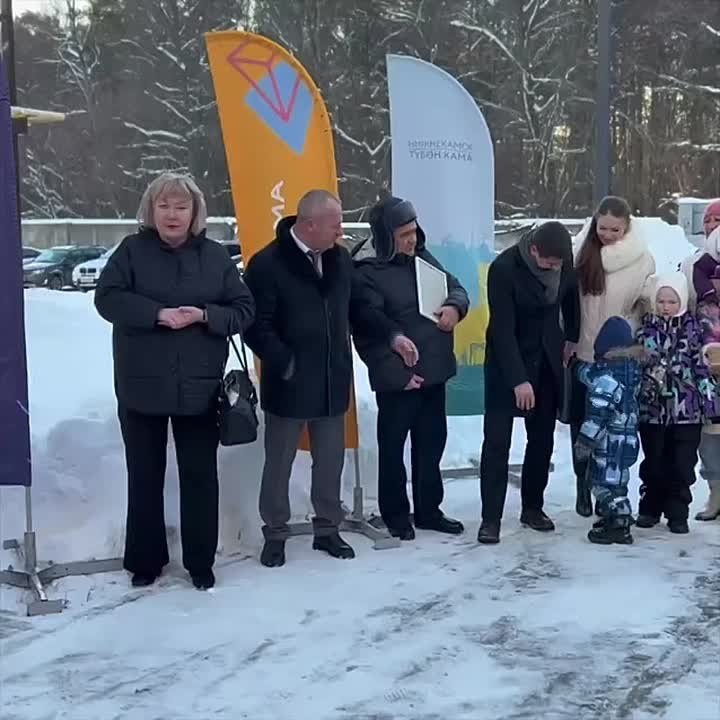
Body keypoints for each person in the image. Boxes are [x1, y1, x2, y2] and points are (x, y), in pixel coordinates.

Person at [95, 172, 255, 590]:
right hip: (141, 385)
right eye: (164, 205)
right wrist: (156, 314)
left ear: (195, 212)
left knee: (200, 476)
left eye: (181, 206)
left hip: (199, 387)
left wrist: (205, 315)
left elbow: (244, 309)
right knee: (144, 475)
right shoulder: (131, 251)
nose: (172, 214)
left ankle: (200, 562)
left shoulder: (215, 256)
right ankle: (145, 560)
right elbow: (106, 298)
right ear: (150, 210)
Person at [242, 190, 354, 568]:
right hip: (288, 383)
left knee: (330, 461)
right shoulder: (267, 264)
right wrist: (286, 363)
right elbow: (255, 326)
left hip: (332, 380)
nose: (340, 231)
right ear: (309, 224)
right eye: (335, 224)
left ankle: (328, 528)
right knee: (279, 463)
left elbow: (358, 310)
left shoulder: (340, 259)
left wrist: (391, 338)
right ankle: (275, 533)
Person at [350, 197, 469, 540]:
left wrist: (454, 307)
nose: (412, 239)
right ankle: (396, 514)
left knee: (431, 446)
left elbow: (456, 288)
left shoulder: (423, 258)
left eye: (414, 231)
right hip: (399, 380)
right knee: (393, 450)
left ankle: (429, 510)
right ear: (385, 237)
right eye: (403, 234)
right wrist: (399, 375)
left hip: (434, 372)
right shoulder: (366, 272)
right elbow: (369, 332)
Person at [479, 222, 579, 544]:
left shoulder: (563, 261)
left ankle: (533, 508)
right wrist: (518, 380)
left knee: (541, 440)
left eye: (558, 263)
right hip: (507, 364)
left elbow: (571, 295)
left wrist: (572, 336)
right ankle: (490, 518)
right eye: (548, 262)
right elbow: (502, 329)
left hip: (547, 360)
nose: (553, 268)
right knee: (497, 443)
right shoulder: (504, 268)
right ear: (534, 250)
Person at [570, 196, 655, 517]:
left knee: (612, 426)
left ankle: (610, 492)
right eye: (601, 227)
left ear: (627, 227)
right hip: (583, 349)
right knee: (584, 422)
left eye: (614, 229)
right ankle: (582, 484)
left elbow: (647, 302)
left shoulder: (642, 259)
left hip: (618, 354)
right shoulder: (581, 252)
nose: (606, 234)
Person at [636, 273, 719, 533]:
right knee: (654, 462)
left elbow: (702, 369)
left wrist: (711, 405)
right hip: (653, 411)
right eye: (661, 301)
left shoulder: (694, 330)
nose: (666, 307)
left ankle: (677, 512)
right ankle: (650, 508)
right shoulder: (645, 330)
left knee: (682, 465)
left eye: (672, 301)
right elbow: (637, 367)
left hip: (687, 412)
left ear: (682, 301)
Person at [574, 317, 643, 545]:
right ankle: (613, 517)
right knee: (618, 482)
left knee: (603, 484)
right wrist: (578, 368)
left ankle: (619, 522)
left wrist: (585, 442)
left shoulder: (606, 380)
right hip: (627, 442)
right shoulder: (631, 374)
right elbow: (590, 374)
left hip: (608, 444)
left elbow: (598, 415)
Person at [680, 199, 720, 521]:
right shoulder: (690, 264)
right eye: (709, 220)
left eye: (718, 220)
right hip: (706, 362)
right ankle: (716, 494)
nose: (712, 225)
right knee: (710, 435)